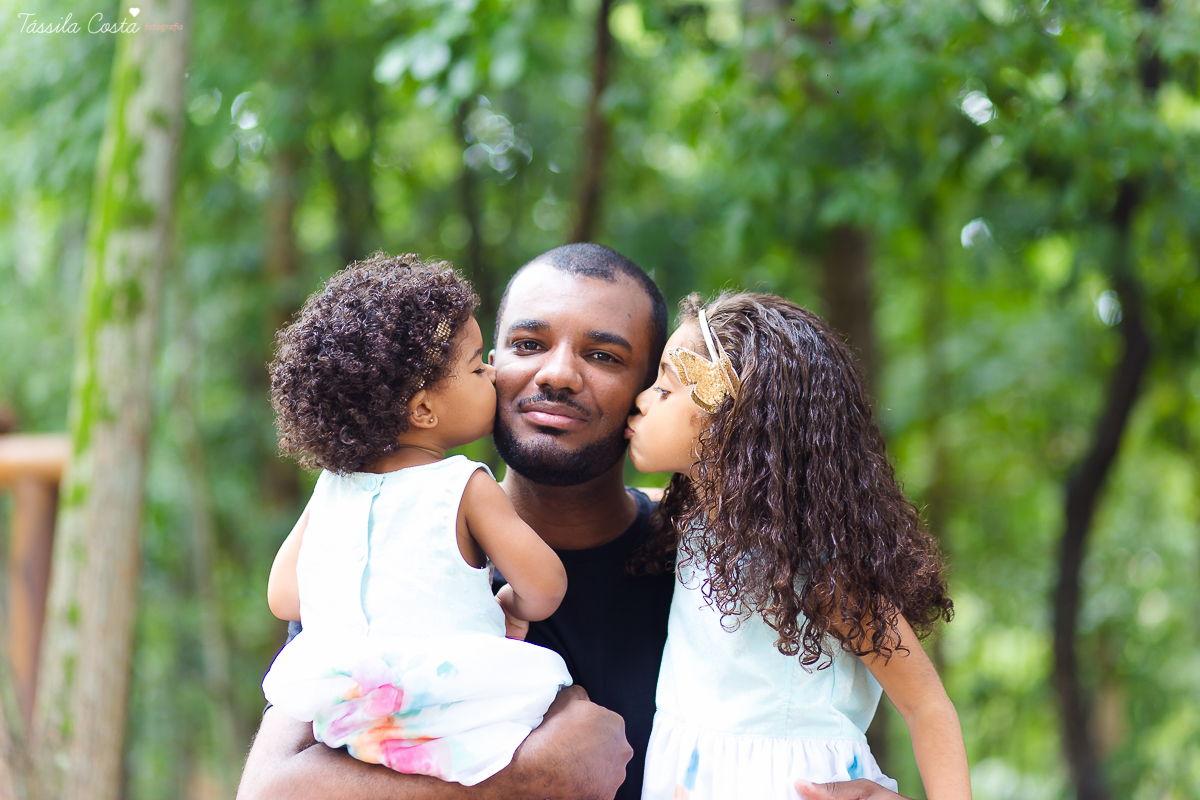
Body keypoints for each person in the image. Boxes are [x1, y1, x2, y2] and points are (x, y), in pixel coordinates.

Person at [236, 244, 920, 800]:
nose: (558, 375)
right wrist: (527, 776)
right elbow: (270, 790)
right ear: (490, 366)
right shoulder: (389, 554)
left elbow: (827, 726)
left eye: (604, 355)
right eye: (528, 344)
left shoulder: (723, 573)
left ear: (656, 392)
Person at [625, 293, 971, 800]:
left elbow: (926, 704)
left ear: (726, 419)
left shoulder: (822, 571)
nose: (641, 398)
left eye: (664, 388)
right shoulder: (693, 523)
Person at [261, 253, 572, 784]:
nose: (493, 374)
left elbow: (284, 598)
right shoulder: (463, 485)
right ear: (424, 411)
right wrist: (510, 604)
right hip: (462, 717)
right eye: (478, 367)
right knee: (575, 712)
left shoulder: (331, 487)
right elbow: (547, 584)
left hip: (355, 723)